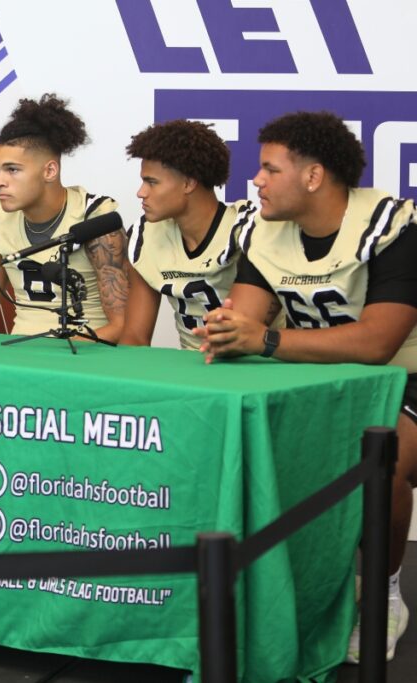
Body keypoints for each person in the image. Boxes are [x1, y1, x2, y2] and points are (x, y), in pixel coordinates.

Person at [194, 110, 417, 662]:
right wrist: (224, 331)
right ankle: (273, 588)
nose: (256, 180)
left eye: (269, 169)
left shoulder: (393, 228)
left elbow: (376, 345)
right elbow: (243, 318)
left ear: (314, 176)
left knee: (380, 453)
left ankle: (383, 592)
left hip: (403, 377)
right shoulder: (263, 231)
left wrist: (264, 340)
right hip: (312, 375)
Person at [0, 94, 127, 339]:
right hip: (21, 354)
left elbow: (123, 325)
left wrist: (57, 359)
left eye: (12, 170)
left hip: (85, 355)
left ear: (50, 170)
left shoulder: (93, 217)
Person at [121, 119, 256, 349]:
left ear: (188, 183)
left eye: (152, 182)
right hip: (189, 369)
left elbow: (244, 333)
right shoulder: (145, 236)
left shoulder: (245, 232)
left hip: (253, 367)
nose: (141, 192)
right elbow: (134, 338)